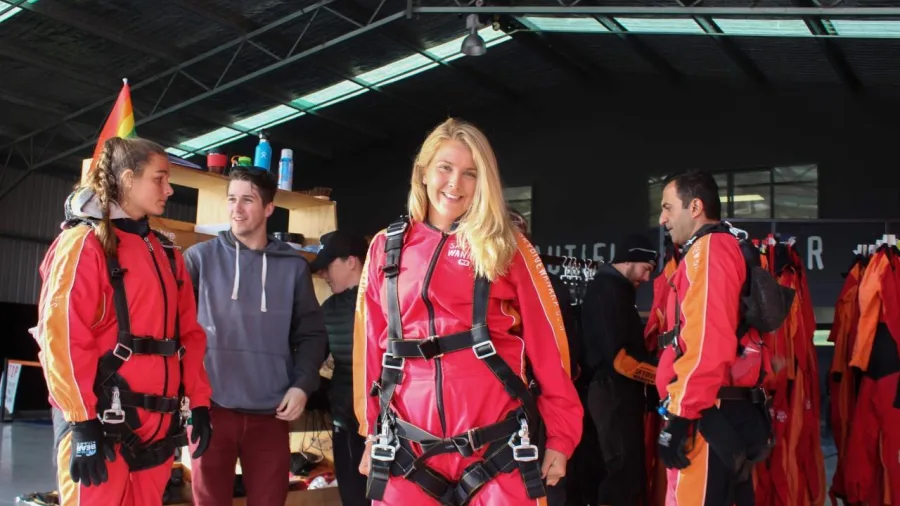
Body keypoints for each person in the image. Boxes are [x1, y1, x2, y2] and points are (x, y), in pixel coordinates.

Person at [354, 118, 583, 506]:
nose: (454, 183)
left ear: (484, 182)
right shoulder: (385, 247)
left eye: (470, 173)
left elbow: (549, 347)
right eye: (445, 168)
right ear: (424, 172)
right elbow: (370, 349)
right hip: (407, 450)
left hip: (497, 450)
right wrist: (372, 432)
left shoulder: (509, 247)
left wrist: (560, 437)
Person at [34, 137, 213, 506]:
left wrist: (199, 402)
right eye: (159, 179)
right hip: (100, 429)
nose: (169, 189)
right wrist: (82, 422)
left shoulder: (167, 253)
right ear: (129, 179)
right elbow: (61, 336)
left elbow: (189, 335)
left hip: (157, 435)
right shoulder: (83, 244)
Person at [183, 167, 329, 506]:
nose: (236, 209)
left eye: (247, 200)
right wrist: (183, 387)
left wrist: (302, 385)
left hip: (271, 412)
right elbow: (176, 329)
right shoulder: (199, 259)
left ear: (268, 208)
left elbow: (312, 333)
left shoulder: (293, 267)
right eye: (231, 199)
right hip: (210, 409)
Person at [655, 170, 773, 506]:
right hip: (716, 412)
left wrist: (681, 416)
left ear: (695, 207)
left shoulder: (709, 250)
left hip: (708, 416)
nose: (662, 219)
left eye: (667, 207)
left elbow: (707, 341)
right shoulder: (720, 248)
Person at [580, 233, 659, 506]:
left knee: (622, 470)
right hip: (612, 391)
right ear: (629, 260)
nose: (647, 278)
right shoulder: (607, 291)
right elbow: (619, 359)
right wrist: (663, 375)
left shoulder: (616, 291)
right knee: (622, 471)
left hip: (615, 391)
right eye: (646, 268)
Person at [309, 229, 371, 506]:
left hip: (383, 423)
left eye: (328, 266)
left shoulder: (384, 300)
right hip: (347, 421)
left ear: (352, 261)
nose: (323, 274)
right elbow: (312, 359)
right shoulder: (329, 308)